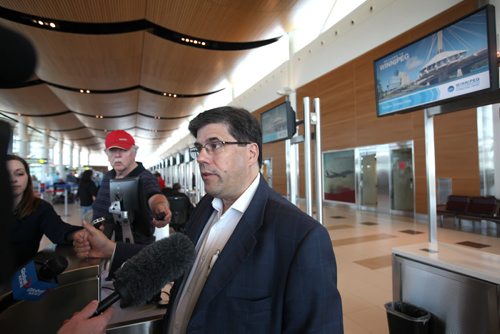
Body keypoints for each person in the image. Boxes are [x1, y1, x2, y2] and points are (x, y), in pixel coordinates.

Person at [73, 106, 343, 333]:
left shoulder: (301, 237)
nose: (201, 157)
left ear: (251, 153)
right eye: (199, 148)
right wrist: (113, 250)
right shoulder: (204, 207)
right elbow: (173, 258)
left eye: (215, 145)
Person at [89, 129, 172, 245]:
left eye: (124, 150)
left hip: (138, 251)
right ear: (106, 153)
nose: (117, 155)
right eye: (113, 151)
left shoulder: (144, 177)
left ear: (135, 151)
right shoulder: (108, 177)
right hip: (104, 247)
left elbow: (154, 195)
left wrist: (160, 207)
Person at [7, 154, 82, 267]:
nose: (13, 179)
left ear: (28, 177)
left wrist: (77, 234)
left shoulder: (39, 208)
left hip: (21, 277)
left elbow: (59, 230)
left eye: (20, 174)